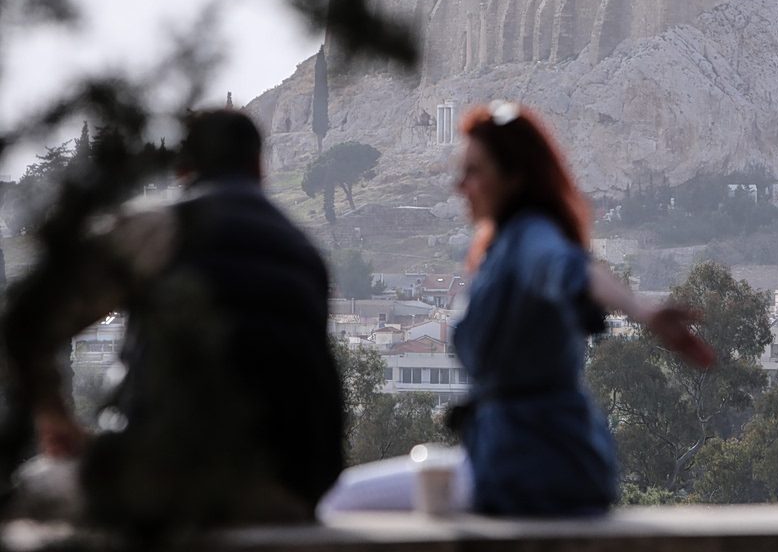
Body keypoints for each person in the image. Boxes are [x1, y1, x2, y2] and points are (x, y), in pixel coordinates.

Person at [319, 101, 712, 517]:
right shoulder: (504, 246)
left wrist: (642, 311)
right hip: (525, 457)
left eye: (474, 171)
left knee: (340, 504)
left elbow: (567, 266)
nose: (460, 185)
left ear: (515, 177)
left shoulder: (531, 236)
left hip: (534, 464)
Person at [2, 110, 343, 529]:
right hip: (286, 494)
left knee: (27, 496)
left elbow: (28, 323)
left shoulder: (161, 227)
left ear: (182, 167)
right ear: (259, 167)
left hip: (167, 481)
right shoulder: (306, 255)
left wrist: (56, 418)